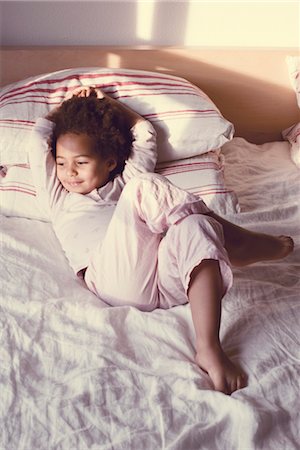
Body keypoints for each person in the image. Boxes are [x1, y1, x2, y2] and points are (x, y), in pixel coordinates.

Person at [29, 86, 294, 395]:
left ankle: (208, 346)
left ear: (110, 162)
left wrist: (109, 105)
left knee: (195, 226)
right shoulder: (58, 197)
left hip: (165, 280)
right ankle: (237, 239)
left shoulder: (125, 182)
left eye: (81, 162)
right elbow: (39, 137)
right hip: (111, 278)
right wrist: (69, 107)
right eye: (62, 163)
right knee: (145, 187)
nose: (69, 172)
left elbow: (143, 133)